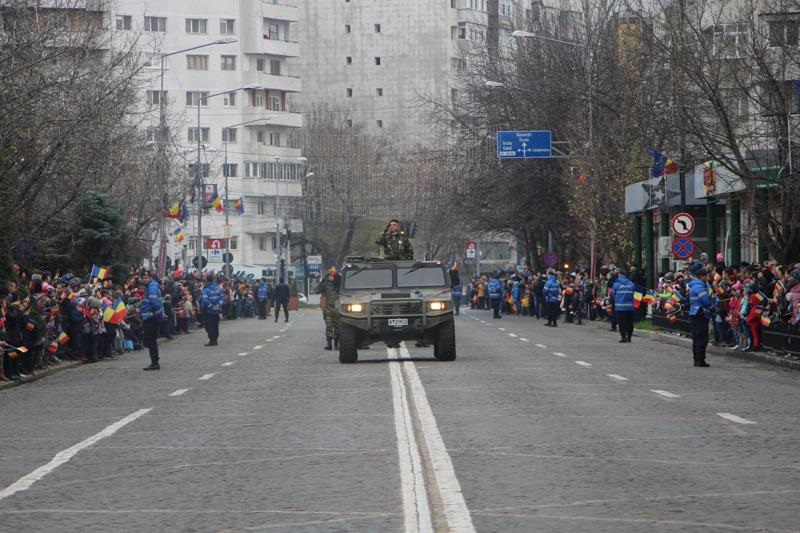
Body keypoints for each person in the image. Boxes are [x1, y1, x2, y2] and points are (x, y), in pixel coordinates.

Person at [688, 262, 714, 367]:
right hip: (700, 314)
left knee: (697, 337)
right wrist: (715, 308)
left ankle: (698, 359)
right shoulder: (699, 287)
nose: (707, 277)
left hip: (695, 313)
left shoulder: (694, 285)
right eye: (705, 275)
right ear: (701, 276)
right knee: (702, 338)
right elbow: (706, 301)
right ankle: (700, 359)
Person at [140, 271, 164, 371]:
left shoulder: (152, 288)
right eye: (143, 278)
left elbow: (155, 303)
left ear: (150, 278)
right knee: (151, 341)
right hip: (150, 317)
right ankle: (155, 361)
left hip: (151, 318)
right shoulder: (151, 287)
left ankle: (155, 362)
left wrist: (159, 314)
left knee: (149, 341)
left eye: (146, 277)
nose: (144, 280)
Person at [316, 268, 340, 350]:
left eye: (333, 274)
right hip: (328, 309)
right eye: (330, 274)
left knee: (338, 327)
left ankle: (336, 344)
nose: (331, 276)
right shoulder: (326, 284)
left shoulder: (340, 283)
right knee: (329, 327)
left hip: (338, 309)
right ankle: (329, 344)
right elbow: (316, 290)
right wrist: (323, 281)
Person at [611, 268, 635, 343]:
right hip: (630, 307)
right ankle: (629, 337)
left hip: (619, 307)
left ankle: (623, 337)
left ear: (620, 275)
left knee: (621, 323)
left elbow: (613, 294)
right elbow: (634, 294)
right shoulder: (631, 283)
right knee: (629, 323)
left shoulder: (616, 284)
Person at [200, 275, 225, 346]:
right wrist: (218, 306)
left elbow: (204, 300)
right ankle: (215, 340)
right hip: (216, 311)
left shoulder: (205, 289)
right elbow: (223, 298)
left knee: (209, 326)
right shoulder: (219, 288)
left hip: (208, 311)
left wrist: (211, 306)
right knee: (215, 325)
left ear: (207, 281)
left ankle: (212, 340)